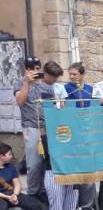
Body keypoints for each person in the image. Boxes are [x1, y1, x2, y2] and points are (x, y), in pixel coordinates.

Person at [14, 58, 63, 198]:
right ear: (26, 69)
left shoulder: (47, 86)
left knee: (46, 163)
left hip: (48, 127)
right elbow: (20, 101)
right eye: (31, 68)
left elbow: (51, 107)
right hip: (31, 126)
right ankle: (33, 193)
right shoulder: (20, 83)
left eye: (37, 68)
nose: (35, 71)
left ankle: (45, 191)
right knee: (34, 163)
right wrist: (26, 83)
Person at [0, 143, 44, 210]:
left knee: (36, 206)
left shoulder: (11, 167)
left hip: (12, 193)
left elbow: (17, 184)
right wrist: (7, 197)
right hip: (2, 196)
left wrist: (14, 194)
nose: (12, 156)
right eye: (9, 154)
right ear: (1, 156)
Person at [41, 134, 78, 210]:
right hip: (54, 172)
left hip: (72, 171)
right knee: (56, 209)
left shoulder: (74, 134)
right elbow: (51, 154)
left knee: (70, 209)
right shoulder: (45, 137)